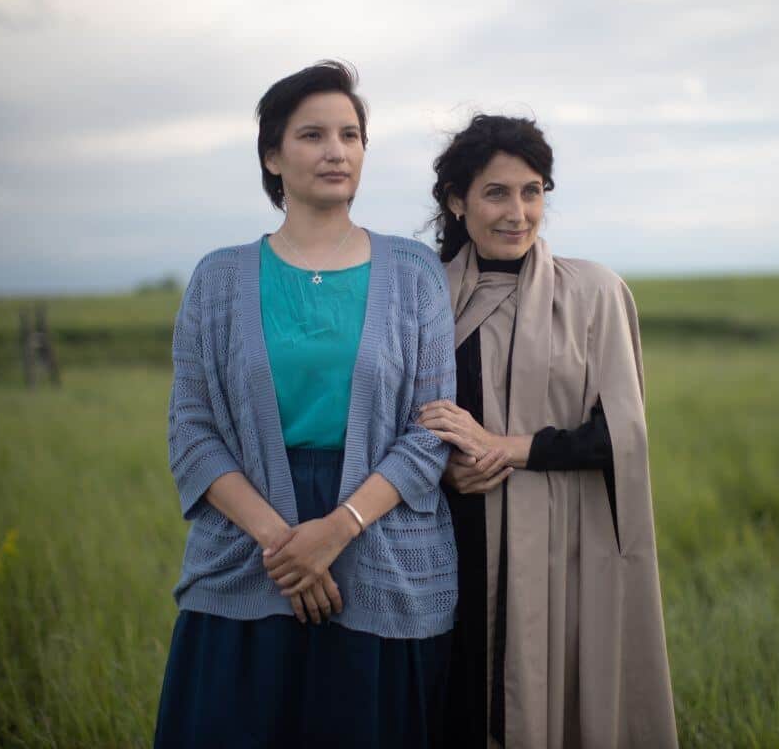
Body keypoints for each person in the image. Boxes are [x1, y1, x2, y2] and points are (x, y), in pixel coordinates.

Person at [154, 60, 457, 748]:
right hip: (247, 549)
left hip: (379, 549)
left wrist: (337, 528)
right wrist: (282, 544)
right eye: (313, 135)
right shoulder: (218, 279)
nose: (335, 151)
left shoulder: (414, 276)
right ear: (272, 155)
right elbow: (193, 430)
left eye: (350, 136)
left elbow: (431, 431)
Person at [417, 114, 679, 748]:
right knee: (454, 712)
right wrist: (447, 468)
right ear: (458, 200)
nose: (518, 212)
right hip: (448, 546)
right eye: (497, 193)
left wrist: (505, 447)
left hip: (559, 547)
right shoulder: (421, 296)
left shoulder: (593, 293)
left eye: (532, 191)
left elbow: (618, 436)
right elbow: (395, 420)